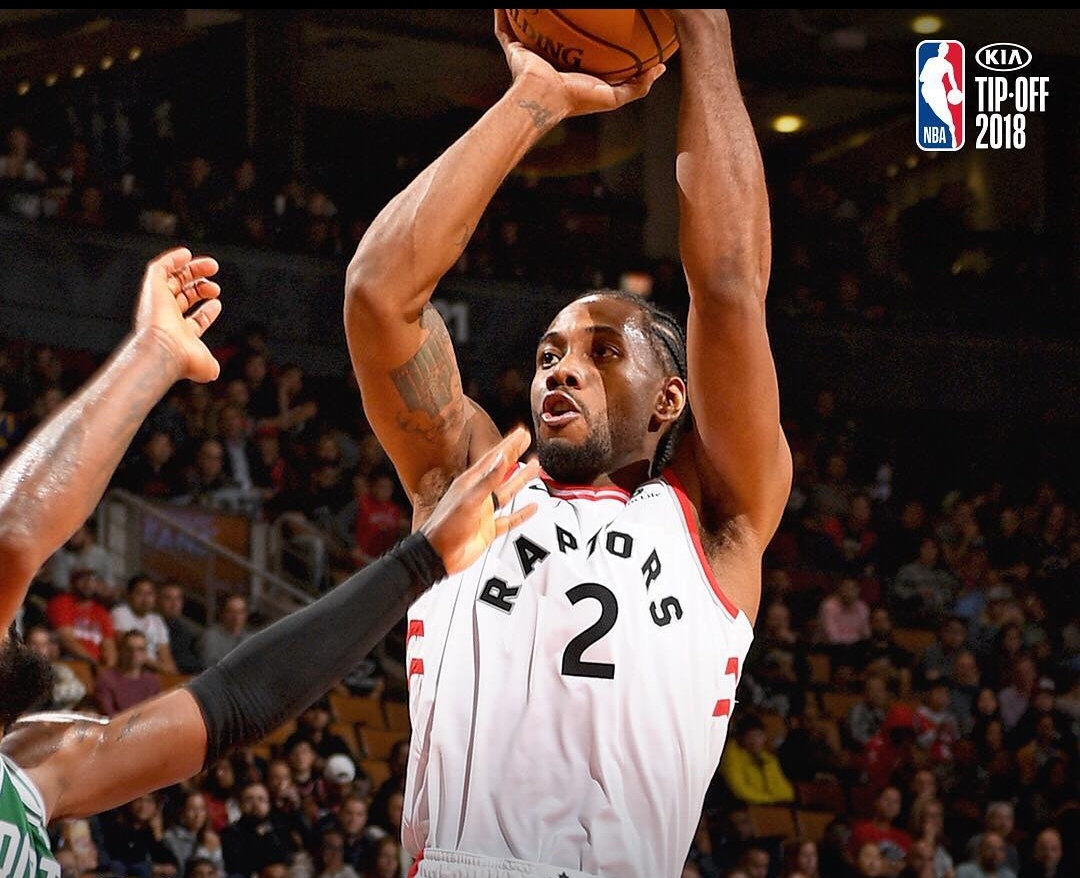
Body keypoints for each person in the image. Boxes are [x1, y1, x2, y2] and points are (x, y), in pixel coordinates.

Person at [343, 10, 790, 878]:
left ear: (671, 399)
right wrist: (534, 100)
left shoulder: (716, 522)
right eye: (549, 355)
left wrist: (704, 26)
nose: (562, 370)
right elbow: (377, 294)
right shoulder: (468, 484)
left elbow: (731, 286)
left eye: (602, 353)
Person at [0, 243, 541, 874]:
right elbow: (13, 536)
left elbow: (237, 700)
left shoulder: (36, 769)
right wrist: (154, 351)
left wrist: (424, 560)